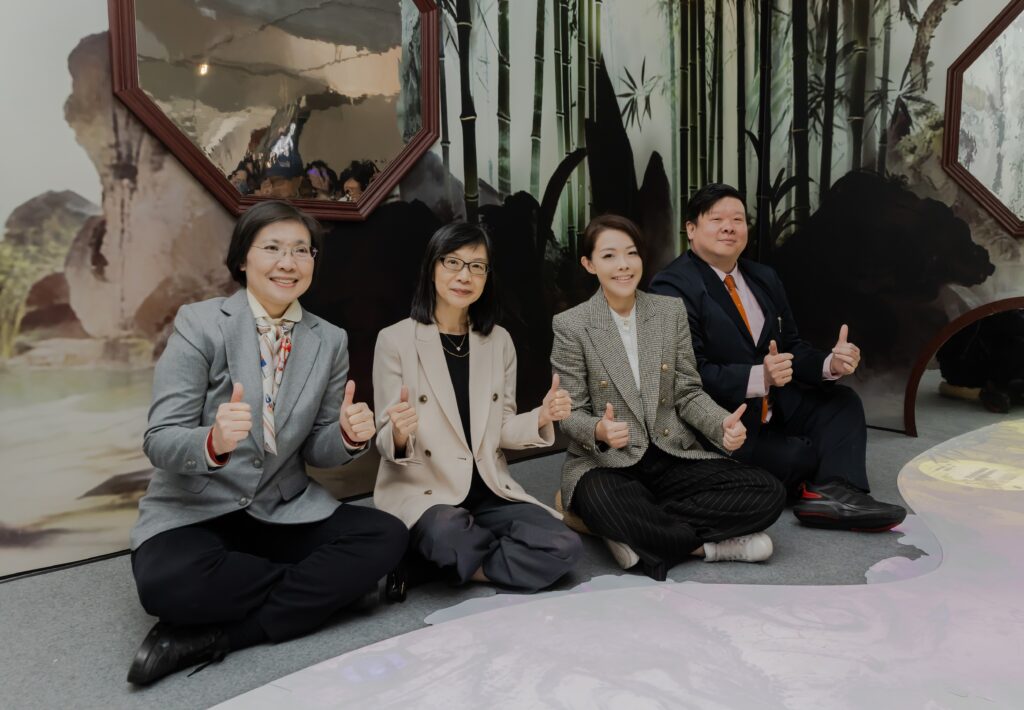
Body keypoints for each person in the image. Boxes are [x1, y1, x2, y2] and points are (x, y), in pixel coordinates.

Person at [127, 201, 408, 685]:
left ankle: (220, 636)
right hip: (194, 509)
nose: (288, 263)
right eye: (273, 248)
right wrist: (213, 441)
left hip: (282, 508)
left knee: (386, 537)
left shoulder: (329, 340)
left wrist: (345, 436)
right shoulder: (200, 323)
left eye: (301, 250)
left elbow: (317, 450)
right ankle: (333, 593)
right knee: (166, 585)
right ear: (243, 258)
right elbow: (160, 439)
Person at [649, 183, 906, 531]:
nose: (729, 227)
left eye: (737, 219)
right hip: (726, 421)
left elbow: (792, 347)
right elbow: (689, 375)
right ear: (691, 229)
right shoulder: (671, 286)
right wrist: (761, 377)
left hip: (778, 406)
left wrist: (830, 364)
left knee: (842, 403)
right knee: (798, 455)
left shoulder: (763, 277)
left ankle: (836, 493)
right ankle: (819, 484)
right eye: (717, 219)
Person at [550, 214, 785, 581]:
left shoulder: (668, 312)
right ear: (589, 264)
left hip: (671, 454)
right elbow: (569, 412)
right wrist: (598, 429)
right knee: (600, 497)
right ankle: (706, 548)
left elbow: (687, 392)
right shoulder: (571, 325)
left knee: (768, 491)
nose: (624, 265)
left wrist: (720, 423)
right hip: (608, 463)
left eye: (631, 253)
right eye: (609, 256)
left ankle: (630, 531)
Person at [373, 222, 583, 592]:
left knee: (564, 546)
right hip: (430, 492)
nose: (464, 276)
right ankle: (457, 549)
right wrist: (400, 432)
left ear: (487, 277)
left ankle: (436, 565)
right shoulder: (395, 340)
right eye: (452, 262)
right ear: (432, 268)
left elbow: (501, 429)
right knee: (447, 531)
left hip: (489, 489)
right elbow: (386, 441)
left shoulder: (498, 341)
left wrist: (542, 416)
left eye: (476, 266)